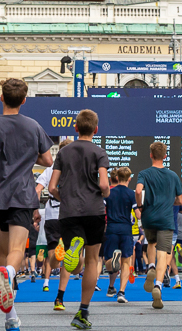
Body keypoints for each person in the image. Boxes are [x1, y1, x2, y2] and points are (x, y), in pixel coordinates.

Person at [0, 78, 53, 331]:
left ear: (1, 98)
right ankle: (9, 274)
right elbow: (48, 160)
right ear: (24, 99)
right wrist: (30, 155)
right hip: (21, 194)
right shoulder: (33, 125)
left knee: (5, 253)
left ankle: (11, 318)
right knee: (16, 253)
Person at [48, 109, 110, 330]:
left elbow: (51, 187)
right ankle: (83, 311)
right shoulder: (99, 152)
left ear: (75, 128)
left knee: (74, 265)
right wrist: (106, 194)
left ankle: (75, 249)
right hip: (94, 210)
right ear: (96, 129)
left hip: (69, 211)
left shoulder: (63, 153)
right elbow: (103, 184)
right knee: (93, 261)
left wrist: (63, 197)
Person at [135, 141, 182, 310]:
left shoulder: (144, 173)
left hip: (149, 217)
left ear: (150, 155)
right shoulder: (173, 176)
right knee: (163, 253)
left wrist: (140, 206)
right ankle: (158, 286)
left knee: (151, 244)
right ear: (165, 156)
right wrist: (172, 201)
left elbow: (138, 191)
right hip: (166, 219)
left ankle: (150, 266)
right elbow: (180, 200)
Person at [37, 139, 72, 311]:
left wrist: (36, 211)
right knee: (68, 260)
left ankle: (56, 256)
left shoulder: (50, 170)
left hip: (51, 214)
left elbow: (37, 190)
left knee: (54, 259)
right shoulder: (75, 169)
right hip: (69, 214)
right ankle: (60, 298)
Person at [103, 167, 139, 303]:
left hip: (111, 228)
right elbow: (137, 213)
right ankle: (121, 292)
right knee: (126, 261)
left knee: (107, 260)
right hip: (126, 229)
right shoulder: (131, 194)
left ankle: (112, 263)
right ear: (129, 178)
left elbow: (102, 209)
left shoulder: (109, 193)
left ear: (116, 177)